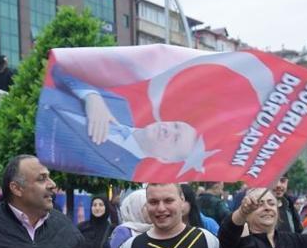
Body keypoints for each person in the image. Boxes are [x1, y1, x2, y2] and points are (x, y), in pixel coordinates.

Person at [36, 70, 214, 181]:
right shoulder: (120, 104)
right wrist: (91, 96)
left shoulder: (121, 170)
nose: (168, 130)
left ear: (164, 159)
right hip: (24, 107)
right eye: (175, 125)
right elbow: (60, 69)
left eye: (175, 139)